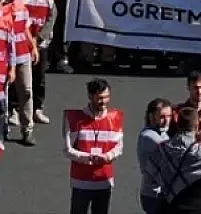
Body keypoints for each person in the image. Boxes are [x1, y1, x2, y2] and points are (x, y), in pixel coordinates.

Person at [64, 78, 124, 214]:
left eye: (107, 97)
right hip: (81, 181)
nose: (104, 102)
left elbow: (119, 147)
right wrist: (88, 157)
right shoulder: (74, 118)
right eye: (100, 98)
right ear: (90, 96)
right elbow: (67, 149)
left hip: (104, 180)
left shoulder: (115, 117)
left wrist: (108, 156)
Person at [137, 99, 175, 214]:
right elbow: (170, 150)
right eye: (162, 116)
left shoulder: (163, 133)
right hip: (153, 196)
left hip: (164, 194)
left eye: (169, 116)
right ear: (151, 116)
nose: (167, 120)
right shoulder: (148, 136)